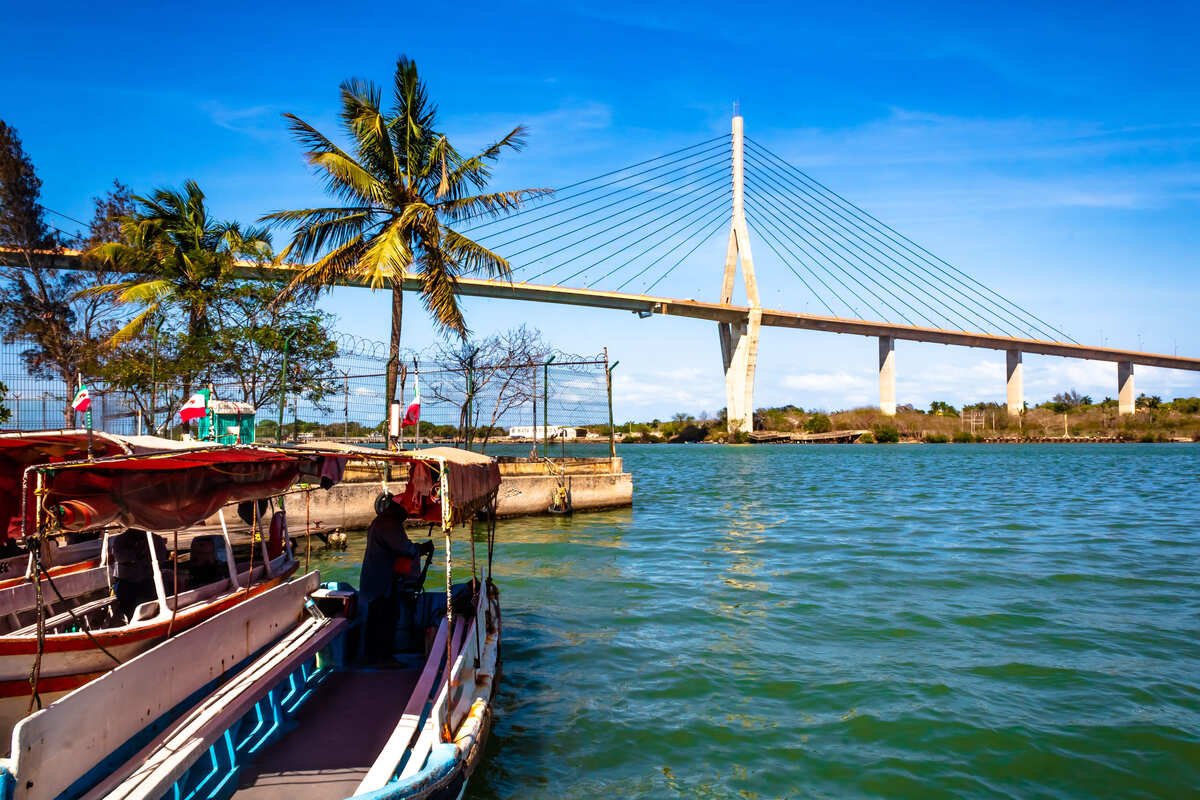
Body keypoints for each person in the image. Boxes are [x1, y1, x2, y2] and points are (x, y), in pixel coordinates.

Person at [358, 496, 433, 660]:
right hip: (381, 582)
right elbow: (406, 548)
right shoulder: (389, 524)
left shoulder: (381, 522)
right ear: (396, 509)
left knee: (380, 618)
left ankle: (376, 657)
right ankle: (382, 659)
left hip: (376, 580)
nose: (406, 515)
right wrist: (422, 548)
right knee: (384, 619)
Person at [109, 528, 169, 622]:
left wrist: (147, 558)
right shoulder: (121, 539)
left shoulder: (156, 539)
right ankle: (129, 619)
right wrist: (137, 553)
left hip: (149, 580)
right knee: (126, 599)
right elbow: (119, 556)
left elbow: (162, 557)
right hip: (127, 582)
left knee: (153, 597)